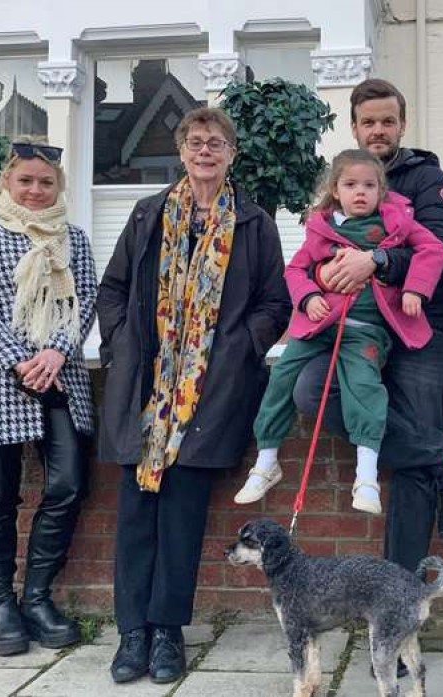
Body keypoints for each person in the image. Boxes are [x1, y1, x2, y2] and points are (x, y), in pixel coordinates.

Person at [97, 106, 291, 685]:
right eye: (195, 142)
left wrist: (238, 347)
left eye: (216, 143)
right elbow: (112, 288)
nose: (205, 151)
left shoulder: (254, 222)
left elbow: (275, 303)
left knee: (182, 516)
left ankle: (166, 633)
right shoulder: (147, 214)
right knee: (135, 515)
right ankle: (131, 632)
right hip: (145, 391)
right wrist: (122, 346)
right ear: (181, 151)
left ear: (232, 154)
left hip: (209, 390)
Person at [292, 79, 443, 569]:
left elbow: (439, 247)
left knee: (412, 452)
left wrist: (375, 260)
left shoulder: (426, 178)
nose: (378, 130)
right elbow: (314, 252)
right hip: (353, 325)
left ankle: (399, 591)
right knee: (311, 392)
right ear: (354, 126)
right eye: (369, 121)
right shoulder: (342, 178)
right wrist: (321, 276)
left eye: (388, 121)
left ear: (403, 125)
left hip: (418, 326)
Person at [235, 149, 443, 515]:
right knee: (282, 378)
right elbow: (294, 272)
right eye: (351, 185)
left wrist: (415, 288)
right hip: (319, 325)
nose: (360, 192)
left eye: (369, 185)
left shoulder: (396, 222)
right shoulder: (321, 226)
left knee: (364, 388)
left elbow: (434, 248)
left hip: (364, 331)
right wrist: (309, 297)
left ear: (382, 191)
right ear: (335, 189)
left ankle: (366, 476)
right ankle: (266, 460)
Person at [0, 137, 97, 656]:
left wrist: (55, 354)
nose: (35, 190)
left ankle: (37, 596)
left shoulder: (74, 239)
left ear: (57, 186)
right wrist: (19, 358)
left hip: (59, 378)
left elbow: (84, 299)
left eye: (45, 182)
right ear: (8, 182)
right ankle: (0, 602)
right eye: (26, 181)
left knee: (68, 485)